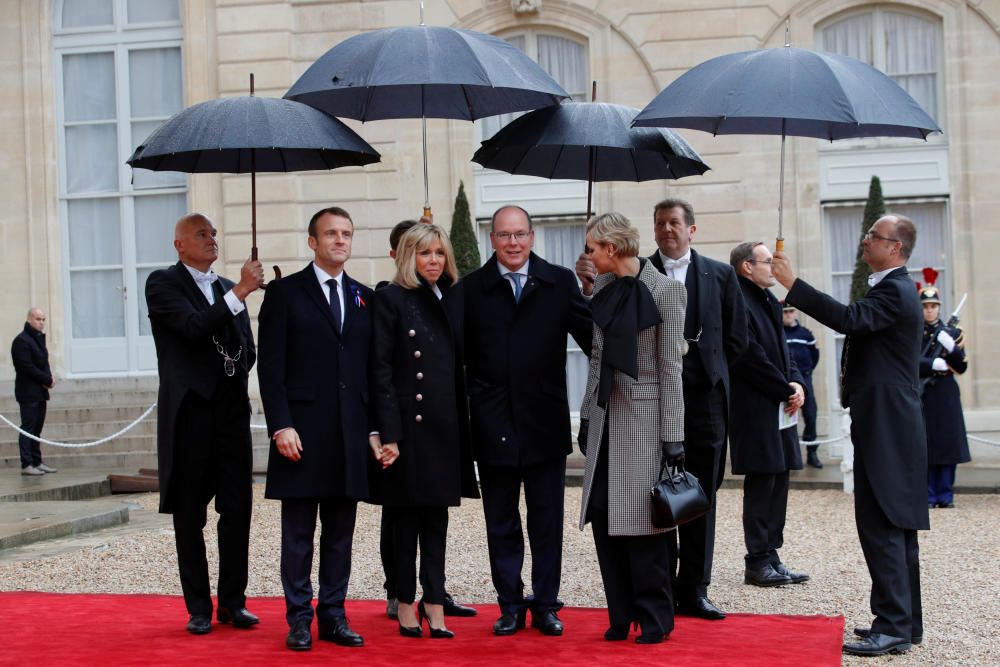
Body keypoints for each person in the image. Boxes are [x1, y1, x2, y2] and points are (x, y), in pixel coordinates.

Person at [578, 198, 747, 620]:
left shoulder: (706, 279)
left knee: (685, 503)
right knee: (629, 511)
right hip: (625, 414)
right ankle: (641, 603)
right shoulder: (611, 282)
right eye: (660, 223)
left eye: (674, 222)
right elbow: (597, 358)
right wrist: (586, 415)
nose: (667, 229)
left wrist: (697, 393)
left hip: (690, 408)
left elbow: (732, 343)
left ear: (691, 228)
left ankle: (690, 591)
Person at [773, 214, 928, 657]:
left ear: (894, 247)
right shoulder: (893, 287)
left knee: (882, 524)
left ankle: (894, 624)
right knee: (894, 525)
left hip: (888, 424)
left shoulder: (896, 291)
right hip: (889, 421)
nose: (864, 242)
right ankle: (904, 621)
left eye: (873, 237)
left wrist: (793, 283)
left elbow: (847, 319)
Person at [463, 205, 592, 636]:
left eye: (520, 234)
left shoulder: (559, 281)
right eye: (504, 235)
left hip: (544, 422)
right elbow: (455, 359)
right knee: (501, 522)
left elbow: (595, 341)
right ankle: (510, 605)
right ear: (492, 239)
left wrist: (596, 290)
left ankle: (547, 604)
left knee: (546, 521)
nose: (513, 243)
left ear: (533, 236)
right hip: (492, 423)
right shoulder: (473, 289)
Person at [257, 207, 374, 651]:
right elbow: (271, 367)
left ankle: (334, 615)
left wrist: (375, 430)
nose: (339, 240)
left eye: (346, 233)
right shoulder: (285, 294)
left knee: (341, 534)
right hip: (300, 433)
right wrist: (280, 424)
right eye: (330, 234)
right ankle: (299, 618)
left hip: (349, 433)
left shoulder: (365, 297)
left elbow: (371, 370)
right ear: (313, 241)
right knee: (299, 534)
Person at [145, 213, 264, 635]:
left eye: (213, 233)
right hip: (191, 415)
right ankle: (198, 606)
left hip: (231, 416)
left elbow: (246, 347)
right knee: (189, 513)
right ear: (179, 244)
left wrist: (237, 364)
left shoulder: (222, 287)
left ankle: (233, 602)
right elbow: (193, 328)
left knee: (238, 511)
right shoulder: (162, 284)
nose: (211, 239)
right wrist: (241, 291)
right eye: (201, 234)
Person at [577, 212, 686, 644]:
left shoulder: (667, 291)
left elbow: (671, 367)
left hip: (646, 422)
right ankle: (619, 616)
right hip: (606, 418)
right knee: (605, 519)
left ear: (612, 248)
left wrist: (673, 436)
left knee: (644, 526)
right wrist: (587, 415)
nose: (587, 254)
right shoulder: (601, 289)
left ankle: (656, 620)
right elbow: (597, 361)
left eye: (592, 247)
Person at [371, 223, 480, 639]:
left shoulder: (452, 296)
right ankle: (403, 601)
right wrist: (388, 433)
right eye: (424, 253)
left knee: (436, 521)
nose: (433, 260)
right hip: (407, 429)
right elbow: (379, 370)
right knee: (405, 522)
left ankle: (435, 601)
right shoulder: (391, 298)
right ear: (407, 257)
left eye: (438, 253)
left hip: (444, 428)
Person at [729, 242, 809, 587]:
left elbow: (783, 350)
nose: (773, 267)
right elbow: (749, 356)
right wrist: (784, 389)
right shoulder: (738, 301)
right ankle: (756, 559)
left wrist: (796, 381)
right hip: (756, 407)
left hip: (779, 403)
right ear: (747, 267)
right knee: (762, 481)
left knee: (779, 479)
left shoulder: (769, 302)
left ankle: (772, 553)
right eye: (767, 262)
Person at [917, 280, 970, 509]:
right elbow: (907, 362)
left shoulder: (953, 333)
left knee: (948, 443)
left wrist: (952, 348)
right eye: (926, 306)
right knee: (926, 444)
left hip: (946, 393)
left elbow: (962, 366)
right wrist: (931, 364)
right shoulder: (913, 332)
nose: (930, 310)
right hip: (923, 393)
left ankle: (945, 495)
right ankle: (928, 495)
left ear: (939, 308)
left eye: (933, 306)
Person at [11, 308, 56, 476]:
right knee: (28, 428)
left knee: (37, 429)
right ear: (29, 319)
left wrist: (49, 378)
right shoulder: (21, 341)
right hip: (28, 392)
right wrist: (46, 379)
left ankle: (37, 461)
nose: (41, 322)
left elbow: (43, 362)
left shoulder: (37, 339)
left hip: (40, 392)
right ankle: (27, 463)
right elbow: (27, 367)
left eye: (43, 319)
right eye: (38, 319)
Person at [782, 303, 822, 468]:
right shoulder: (779, 333)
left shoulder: (805, 334)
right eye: (786, 312)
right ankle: (788, 457)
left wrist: (807, 373)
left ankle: (812, 454)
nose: (790, 315)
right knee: (786, 417)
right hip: (784, 381)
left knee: (811, 415)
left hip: (805, 379)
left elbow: (815, 354)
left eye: (792, 311)